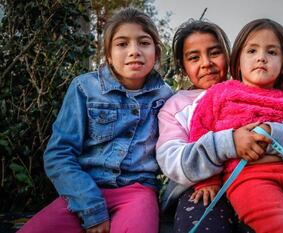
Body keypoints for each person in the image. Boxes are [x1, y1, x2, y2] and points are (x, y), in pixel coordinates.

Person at [18, 7, 172, 233]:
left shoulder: (165, 96)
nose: (134, 51)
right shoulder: (85, 88)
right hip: (83, 190)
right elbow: (59, 153)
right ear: (108, 55)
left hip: (137, 192)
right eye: (122, 44)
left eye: (144, 43)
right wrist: (91, 208)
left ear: (156, 53)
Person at [188, 18, 283, 233]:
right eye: (252, 51)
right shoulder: (221, 93)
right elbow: (199, 134)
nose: (261, 57)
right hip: (248, 177)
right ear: (238, 60)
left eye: (271, 52)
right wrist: (207, 180)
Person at [156, 19, 283, 233]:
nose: (206, 63)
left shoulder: (254, 89)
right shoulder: (176, 106)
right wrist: (229, 143)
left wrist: (270, 134)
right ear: (183, 66)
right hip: (200, 191)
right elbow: (172, 159)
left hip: (258, 182)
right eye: (194, 57)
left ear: (230, 54)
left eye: (214, 53)